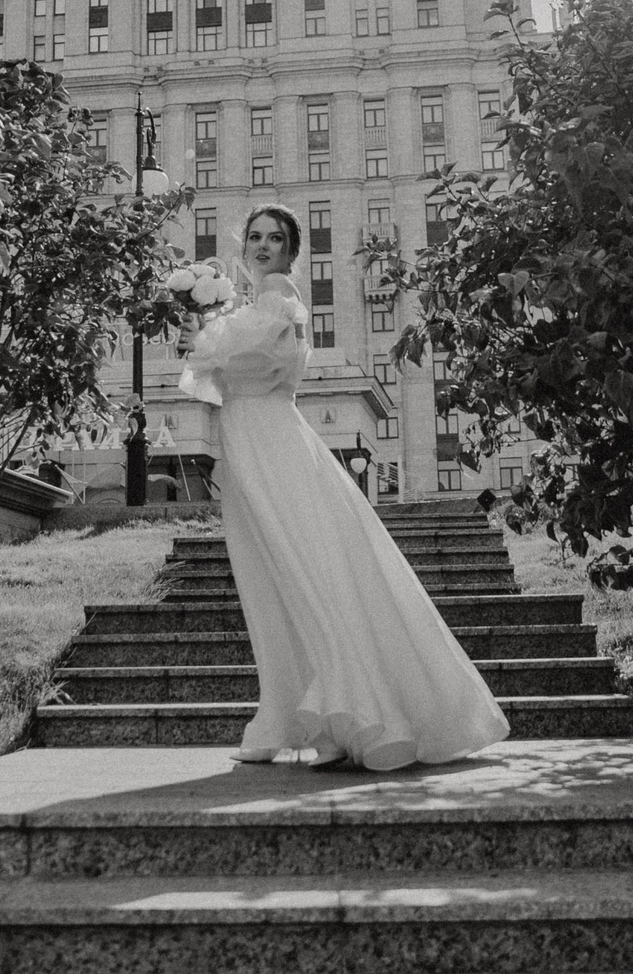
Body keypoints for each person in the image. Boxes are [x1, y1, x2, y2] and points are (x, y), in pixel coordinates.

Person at [177, 204, 510, 771]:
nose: (262, 246)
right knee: (272, 581)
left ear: (291, 251)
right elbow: (218, 369)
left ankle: (351, 710)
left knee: (298, 571)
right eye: (254, 236)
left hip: (272, 442)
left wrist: (204, 330)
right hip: (250, 441)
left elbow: (237, 357)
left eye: (275, 238)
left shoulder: (279, 298)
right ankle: (309, 718)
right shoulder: (253, 307)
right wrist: (205, 327)